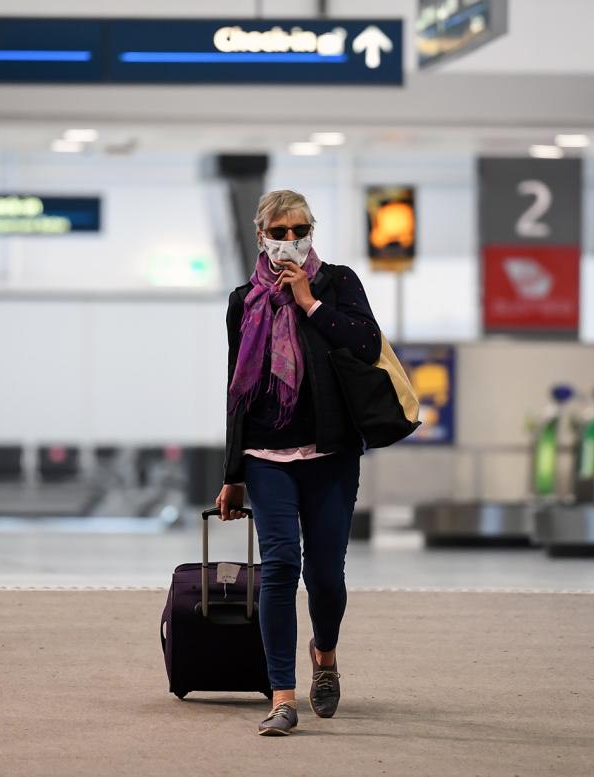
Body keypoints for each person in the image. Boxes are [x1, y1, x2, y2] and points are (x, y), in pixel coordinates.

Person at [216, 190, 381, 736]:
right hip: (267, 456)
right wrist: (232, 475)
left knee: (326, 578)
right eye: (280, 231)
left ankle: (325, 655)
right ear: (261, 234)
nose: (290, 240)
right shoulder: (244, 301)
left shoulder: (338, 283)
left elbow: (366, 344)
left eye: (300, 229)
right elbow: (237, 391)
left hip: (330, 453)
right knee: (282, 567)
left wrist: (310, 303)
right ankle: (282, 696)